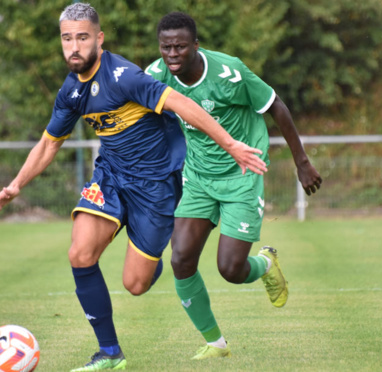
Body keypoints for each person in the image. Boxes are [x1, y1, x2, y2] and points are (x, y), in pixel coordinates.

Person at [0, 4, 268, 371]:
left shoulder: (124, 76)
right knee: (80, 253)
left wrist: (231, 145)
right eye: (67, 38)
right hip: (110, 178)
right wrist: (15, 185)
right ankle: (109, 353)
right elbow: (49, 143)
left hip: (155, 188)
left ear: (99, 39)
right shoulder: (72, 90)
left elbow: (183, 104)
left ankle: (147, 258)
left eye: (83, 37)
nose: (74, 46)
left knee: (135, 284)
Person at [146, 12, 323, 360]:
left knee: (230, 269)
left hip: (241, 176)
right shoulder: (157, 74)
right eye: (166, 47)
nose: (172, 54)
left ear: (196, 46)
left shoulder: (230, 72)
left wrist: (302, 162)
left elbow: (277, 107)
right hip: (197, 177)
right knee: (180, 259)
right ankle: (215, 343)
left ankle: (265, 265)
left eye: (180, 46)